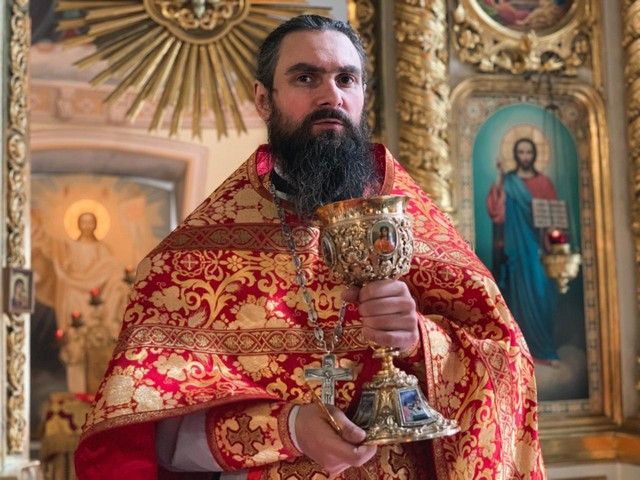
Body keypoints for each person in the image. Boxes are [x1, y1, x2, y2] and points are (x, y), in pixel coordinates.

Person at [75, 15, 545, 479]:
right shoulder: (193, 257)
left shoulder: (414, 226)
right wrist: (290, 429)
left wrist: (420, 340)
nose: (331, 96)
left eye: (346, 79)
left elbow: (506, 363)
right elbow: (145, 436)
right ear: (264, 98)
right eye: (306, 78)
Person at [32, 210, 129, 392]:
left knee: (97, 340)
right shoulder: (68, 247)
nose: (87, 226)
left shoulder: (102, 249)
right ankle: (75, 389)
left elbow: (112, 270)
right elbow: (50, 250)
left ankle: (99, 389)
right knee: (74, 341)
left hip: (95, 301)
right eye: (83, 222)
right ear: (77, 224)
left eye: (90, 222)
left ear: (96, 225)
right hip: (73, 296)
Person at [486, 137, 559, 362]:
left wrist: (551, 230)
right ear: (516, 155)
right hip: (515, 251)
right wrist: (500, 176)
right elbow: (496, 209)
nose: (525, 156)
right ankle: (522, 354)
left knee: (540, 294)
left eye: (529, 152)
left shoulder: (544, 183)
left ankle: (544, 349)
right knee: (515, 296)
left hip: (536, 249)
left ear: (534, 155)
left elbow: (554, 218)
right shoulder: (508, 181)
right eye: (521, 152)